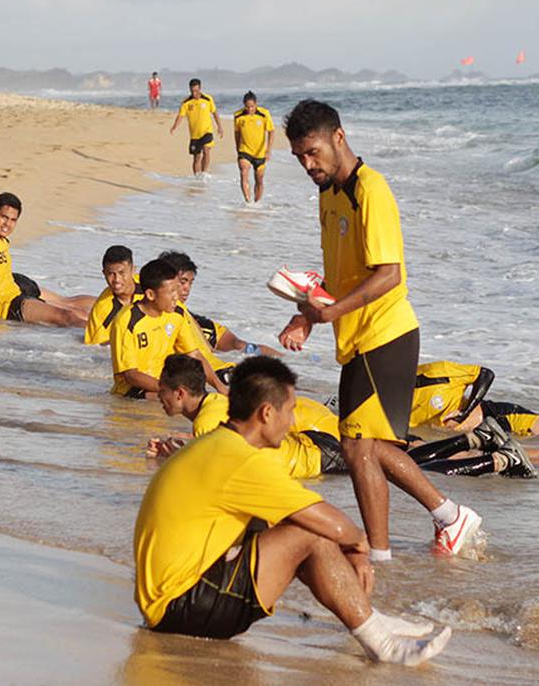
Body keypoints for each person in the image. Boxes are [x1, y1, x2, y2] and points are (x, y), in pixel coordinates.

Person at [133, 356, 452, 665]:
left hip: (171, 601)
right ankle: (381, 643)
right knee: (311, 534)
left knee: (294, 525)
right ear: (267, 413)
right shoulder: (242, 460)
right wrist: (359, 545)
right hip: (182, 608)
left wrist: (348, 542)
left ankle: (371, 620)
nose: (293, 422)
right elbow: (330, 524)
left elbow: (299, 511)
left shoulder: (218, 445)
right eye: (291, 411)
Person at [277, 100, 481, 561]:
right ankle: (449, 515)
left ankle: (380, 556)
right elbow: (341, 274)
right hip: (356, 338)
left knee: (355, 446)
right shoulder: (329, 196)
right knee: (364, 445)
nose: (308, 165)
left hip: (386, 333)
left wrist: (330, 314)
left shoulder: (372, 190)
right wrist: (305, 315)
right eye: (299, 158)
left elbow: (389, 274)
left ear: (339, 138)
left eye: (313, 153)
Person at [150, 354, 345, 479]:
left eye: (162, 391)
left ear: (180, 393)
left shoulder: (206, 421)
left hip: (318, 457)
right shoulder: (214, 402)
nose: (159, 396)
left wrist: (174, 456)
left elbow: (212, 469)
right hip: (310, 441)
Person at [0, 193, 93, 327]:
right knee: (67, 315)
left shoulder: (0, 240)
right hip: (7, 305)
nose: (7, 224)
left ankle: (109, 316)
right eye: (4, 217)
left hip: (15, 291)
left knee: (74, 312)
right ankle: (101, 337)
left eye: (13, 220)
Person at [108, 259, 228, 398]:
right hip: (131, 391)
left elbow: (194, 355)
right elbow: (131, 375)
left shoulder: (177, 314)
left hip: (164, 384)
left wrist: (221, 388)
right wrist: (170, 390)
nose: (176, 297)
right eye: (171, 292)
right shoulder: (126, 321)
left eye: (177, 290)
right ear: (151, 295)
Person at [155, 250, 281, 358]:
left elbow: (235, 346)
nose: (187, 288)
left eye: (190, 282)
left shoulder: (195, 321)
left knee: (241, 346)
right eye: (183, 282)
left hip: (199, 330)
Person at [85, 245, 143, 346]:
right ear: (104, 273)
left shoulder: (149, 286)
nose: (117, 280)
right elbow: (96, 347)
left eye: (122, 273)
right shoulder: (101, 310)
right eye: (111, 274)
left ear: (133, 270)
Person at [169, 78, 223, 176]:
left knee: (206, 150)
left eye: (196, 91)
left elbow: (215, 113)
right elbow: (180, 116)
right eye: (192, 91)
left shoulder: (208, 99)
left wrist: (220, 126)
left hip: (207, 131)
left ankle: (204, 173)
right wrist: (174, 127)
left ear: (200, 88)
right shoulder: (186, 102)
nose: (194, 93)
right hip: (194, 135)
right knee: (197, 157)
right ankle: (197, 177)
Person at [233, 91, 274, 203]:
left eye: (252, 106)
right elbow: (237, 133)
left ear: (256, 104)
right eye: (247, 107)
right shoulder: (238, 116)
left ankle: (256, 203)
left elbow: (271, 132)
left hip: (260, 152)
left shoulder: (264, 114)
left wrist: (268, 150)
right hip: (244, 150)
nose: (250, 109)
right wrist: (237, 147)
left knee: (259, 179)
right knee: (244, 171)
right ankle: (248, 202)